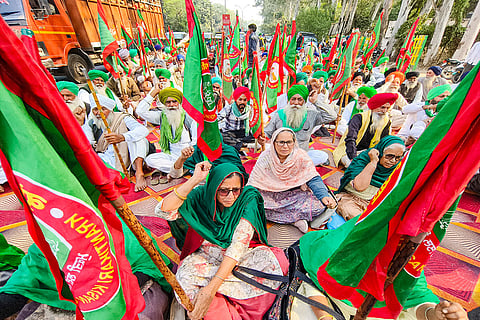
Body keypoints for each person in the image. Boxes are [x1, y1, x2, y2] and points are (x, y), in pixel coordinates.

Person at [154, 162, 289, 320]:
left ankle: (218, 299)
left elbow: (238, 246)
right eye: (223, 191)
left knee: (277, 261)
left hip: (239, 258)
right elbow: (162, 211)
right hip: (206, 257)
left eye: (235, 190)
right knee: (184, 281)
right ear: (213, 188)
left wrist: (210, 289)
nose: (231, 196)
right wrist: (194, 180)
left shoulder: (247, 198)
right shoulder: (201, 196)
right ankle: (226, 308)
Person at [0, 221, 173, 320]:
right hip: (72, 302)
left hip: (130, 290)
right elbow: (18, 289)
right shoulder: (47, 241)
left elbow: (147, 264)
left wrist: (99, 298)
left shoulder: (110, 224)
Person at [248, 128, 336, 233]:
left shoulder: (301, 156)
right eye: (281, 142)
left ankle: (288, 219)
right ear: (274, 142)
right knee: (253, 201)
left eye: (289, 142)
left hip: (294, 195)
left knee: (319, 204)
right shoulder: (266, 157)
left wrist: (323, 195)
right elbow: (254, 181)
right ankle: (294, 221)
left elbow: (313, 177)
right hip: (271, 196)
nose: (285, 146)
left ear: (294, 142)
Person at [84, 94, 150, 192]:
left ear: (110, 110)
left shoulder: (122, 118)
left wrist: (122, 137)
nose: (99, 113)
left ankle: (139, 173)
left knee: (139, 139)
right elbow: (89, 143)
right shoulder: (91, 123)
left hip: (129, 154)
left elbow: (143, 130)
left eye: (103, 109)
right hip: (107, 156)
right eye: (95, 109)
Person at [261, 85, 337, 166]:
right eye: (293, 99)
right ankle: (296, 165)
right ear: (288, 101)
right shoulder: (279, 115)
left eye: (300, 99)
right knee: (266, 152)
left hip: (302, 154)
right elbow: (267, 132)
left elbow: (332, 116)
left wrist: (315, 101)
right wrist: (262, 138)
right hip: (281, 154)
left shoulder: (311, 115)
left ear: (304, 102)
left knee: (322, 156)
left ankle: (293, 164)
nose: (296, 103)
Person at [335, 135, 405, 220]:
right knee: (355, 215)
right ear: (380, 152)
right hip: (351, 198)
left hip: (376, 202)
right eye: (389, 156)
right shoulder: (364, 159)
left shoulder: (398, 167)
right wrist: (373, 162)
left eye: (398, 158)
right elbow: (360, 187)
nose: (393, 161)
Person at [136, 86, 197, 183]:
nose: (172, 105)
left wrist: (188, 153)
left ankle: (179, 168)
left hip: (187, 155)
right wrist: (152, 93)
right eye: (168, 102)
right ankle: (180, 169)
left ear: (179, 102)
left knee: (194, 159)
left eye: (174, 101)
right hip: (170, 154)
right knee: (149, 159)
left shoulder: (187, 116)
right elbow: (140, 111)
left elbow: (195, 140)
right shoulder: (161, 116)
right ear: (164, 104)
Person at [333, 93, 396, 168]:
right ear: (374, 106)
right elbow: (350, 138)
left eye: (387, 108)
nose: (384, 111)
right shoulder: (359, 117)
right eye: (382, 107)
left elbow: (384, 141)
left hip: (370, 152)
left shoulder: (386, 121)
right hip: (349, 151)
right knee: (355, 166)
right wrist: (353, 157)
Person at [169, 142, 248, 182]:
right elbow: (175, 174)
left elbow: (241, 177)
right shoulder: (196, 151)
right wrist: (182, 158)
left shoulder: (229, 151)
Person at [217, 86, 255, 151]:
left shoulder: (249, 109)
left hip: (243, 133)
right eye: (240, 100)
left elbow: (254, 123)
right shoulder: (229, 108)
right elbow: (218, 118)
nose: (242, 102)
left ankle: (239, 143)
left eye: (244, 100)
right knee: (221, 136)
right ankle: (243, 144)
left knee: (255, 136)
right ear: (236, 99)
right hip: (230, 132)